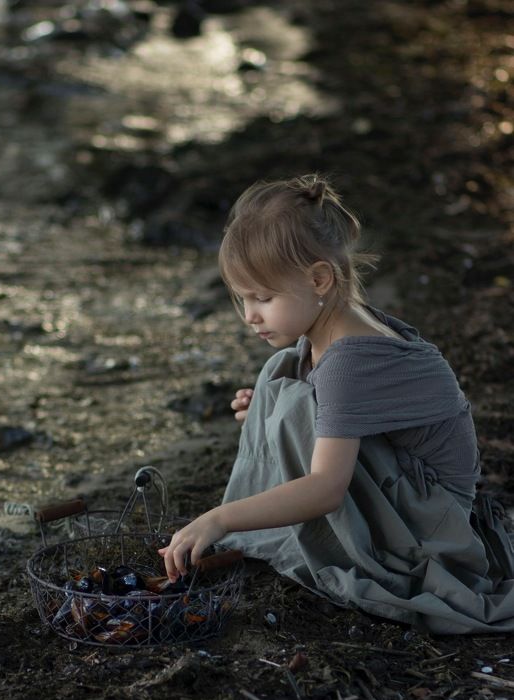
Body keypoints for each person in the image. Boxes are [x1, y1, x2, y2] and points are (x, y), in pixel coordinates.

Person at [159, 174, 514, 634]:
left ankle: (307, 536)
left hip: (432, 530)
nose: (249, 316)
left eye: (262, 297)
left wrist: (220, 519)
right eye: (242, 299)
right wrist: (271, 415)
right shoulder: (340, 327)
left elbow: (327, 488)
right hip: (411, 494)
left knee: (284, 388)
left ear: (320, 278)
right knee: (278, 378)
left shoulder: (351, 359)